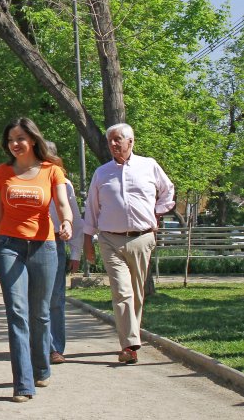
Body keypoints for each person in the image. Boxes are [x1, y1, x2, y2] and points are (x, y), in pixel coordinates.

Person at [0, 117, 73, 402]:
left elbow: (62, 203)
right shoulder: (1, 172)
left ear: (33, 140)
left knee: (41, 314)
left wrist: (67, 222)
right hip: (9, 246)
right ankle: (23, 384)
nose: (15, 144)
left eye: (20, 138)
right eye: (10, 140)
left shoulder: (52, 170)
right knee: (17, 313)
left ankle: (41, 368)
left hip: (44, 247)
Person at [83, 123, 174, 365]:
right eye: (110, 140)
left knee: (136, 293)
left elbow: (168, 191)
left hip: (142, 238)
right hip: (110, 239)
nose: (113, 144)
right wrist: (87, 241)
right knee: (121, 291)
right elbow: (92, 207)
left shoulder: (149, 165)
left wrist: (157, 212)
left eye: (118, 139)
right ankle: (129, 345)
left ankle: (130, 340)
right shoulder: (102, 173)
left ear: (130, 141)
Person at [45, 141, 84, 365]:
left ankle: (55, 348)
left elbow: (75, 220)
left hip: (55, 241)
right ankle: (36, 345)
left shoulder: (64, 184)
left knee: (55, 298)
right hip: (27, 241)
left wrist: (75, 253)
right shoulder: (24, 179)